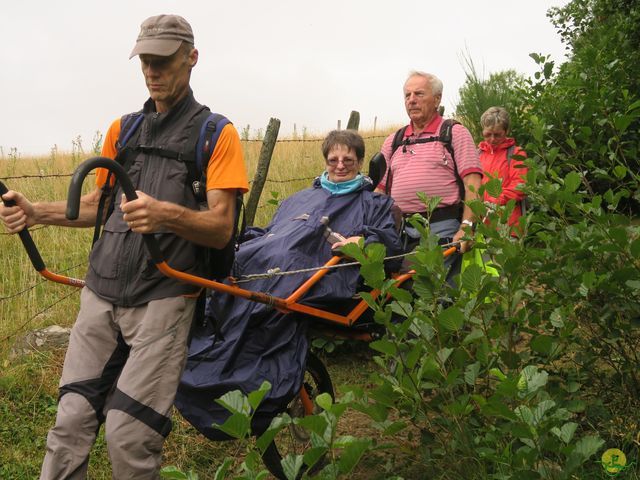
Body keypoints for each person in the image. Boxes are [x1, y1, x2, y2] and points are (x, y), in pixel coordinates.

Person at [0, 14, 248, 478]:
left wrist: (165, 215)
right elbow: (98, 205)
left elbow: (220, 228)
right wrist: (36, 212)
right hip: (101, 291)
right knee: (70, 421)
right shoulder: (124, 130)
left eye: (163, 61)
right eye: (145, 62)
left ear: (191, 59)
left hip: (167, 295)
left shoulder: (217, 134)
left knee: (129, 432)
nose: (152, 71)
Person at [175, 129, 403, 439]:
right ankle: (204, 372)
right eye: (333, 159)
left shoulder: (373, 203)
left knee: (266, 309)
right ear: (325, 160)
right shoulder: (300, 198)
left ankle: (258, 390)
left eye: (348, 160)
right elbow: (271, 230)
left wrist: (361, 240)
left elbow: (387, 242)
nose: (340, 165)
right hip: (263, 262)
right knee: (224, 291)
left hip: (315, 270)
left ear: (360, 162)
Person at [376, 71, 482, 280]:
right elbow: (379, 190)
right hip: (398, 231)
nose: (412, 100)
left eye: (419, 94)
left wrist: (467, 227)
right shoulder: (393, 141)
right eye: (407, 95)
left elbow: (473, 183)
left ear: (437, 99)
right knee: (400, 291)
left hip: (441, 228)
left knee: (434, 293)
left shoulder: (454, 133)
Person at [478, 106, 528, 232]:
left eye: (497, 135)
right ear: (482, 131)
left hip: (509, 226)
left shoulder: (516, 153)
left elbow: (520, 186)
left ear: (506, 132)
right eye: (488, 134)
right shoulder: (477, 155)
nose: (492, 139)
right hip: (481, 225)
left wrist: (494, 200)